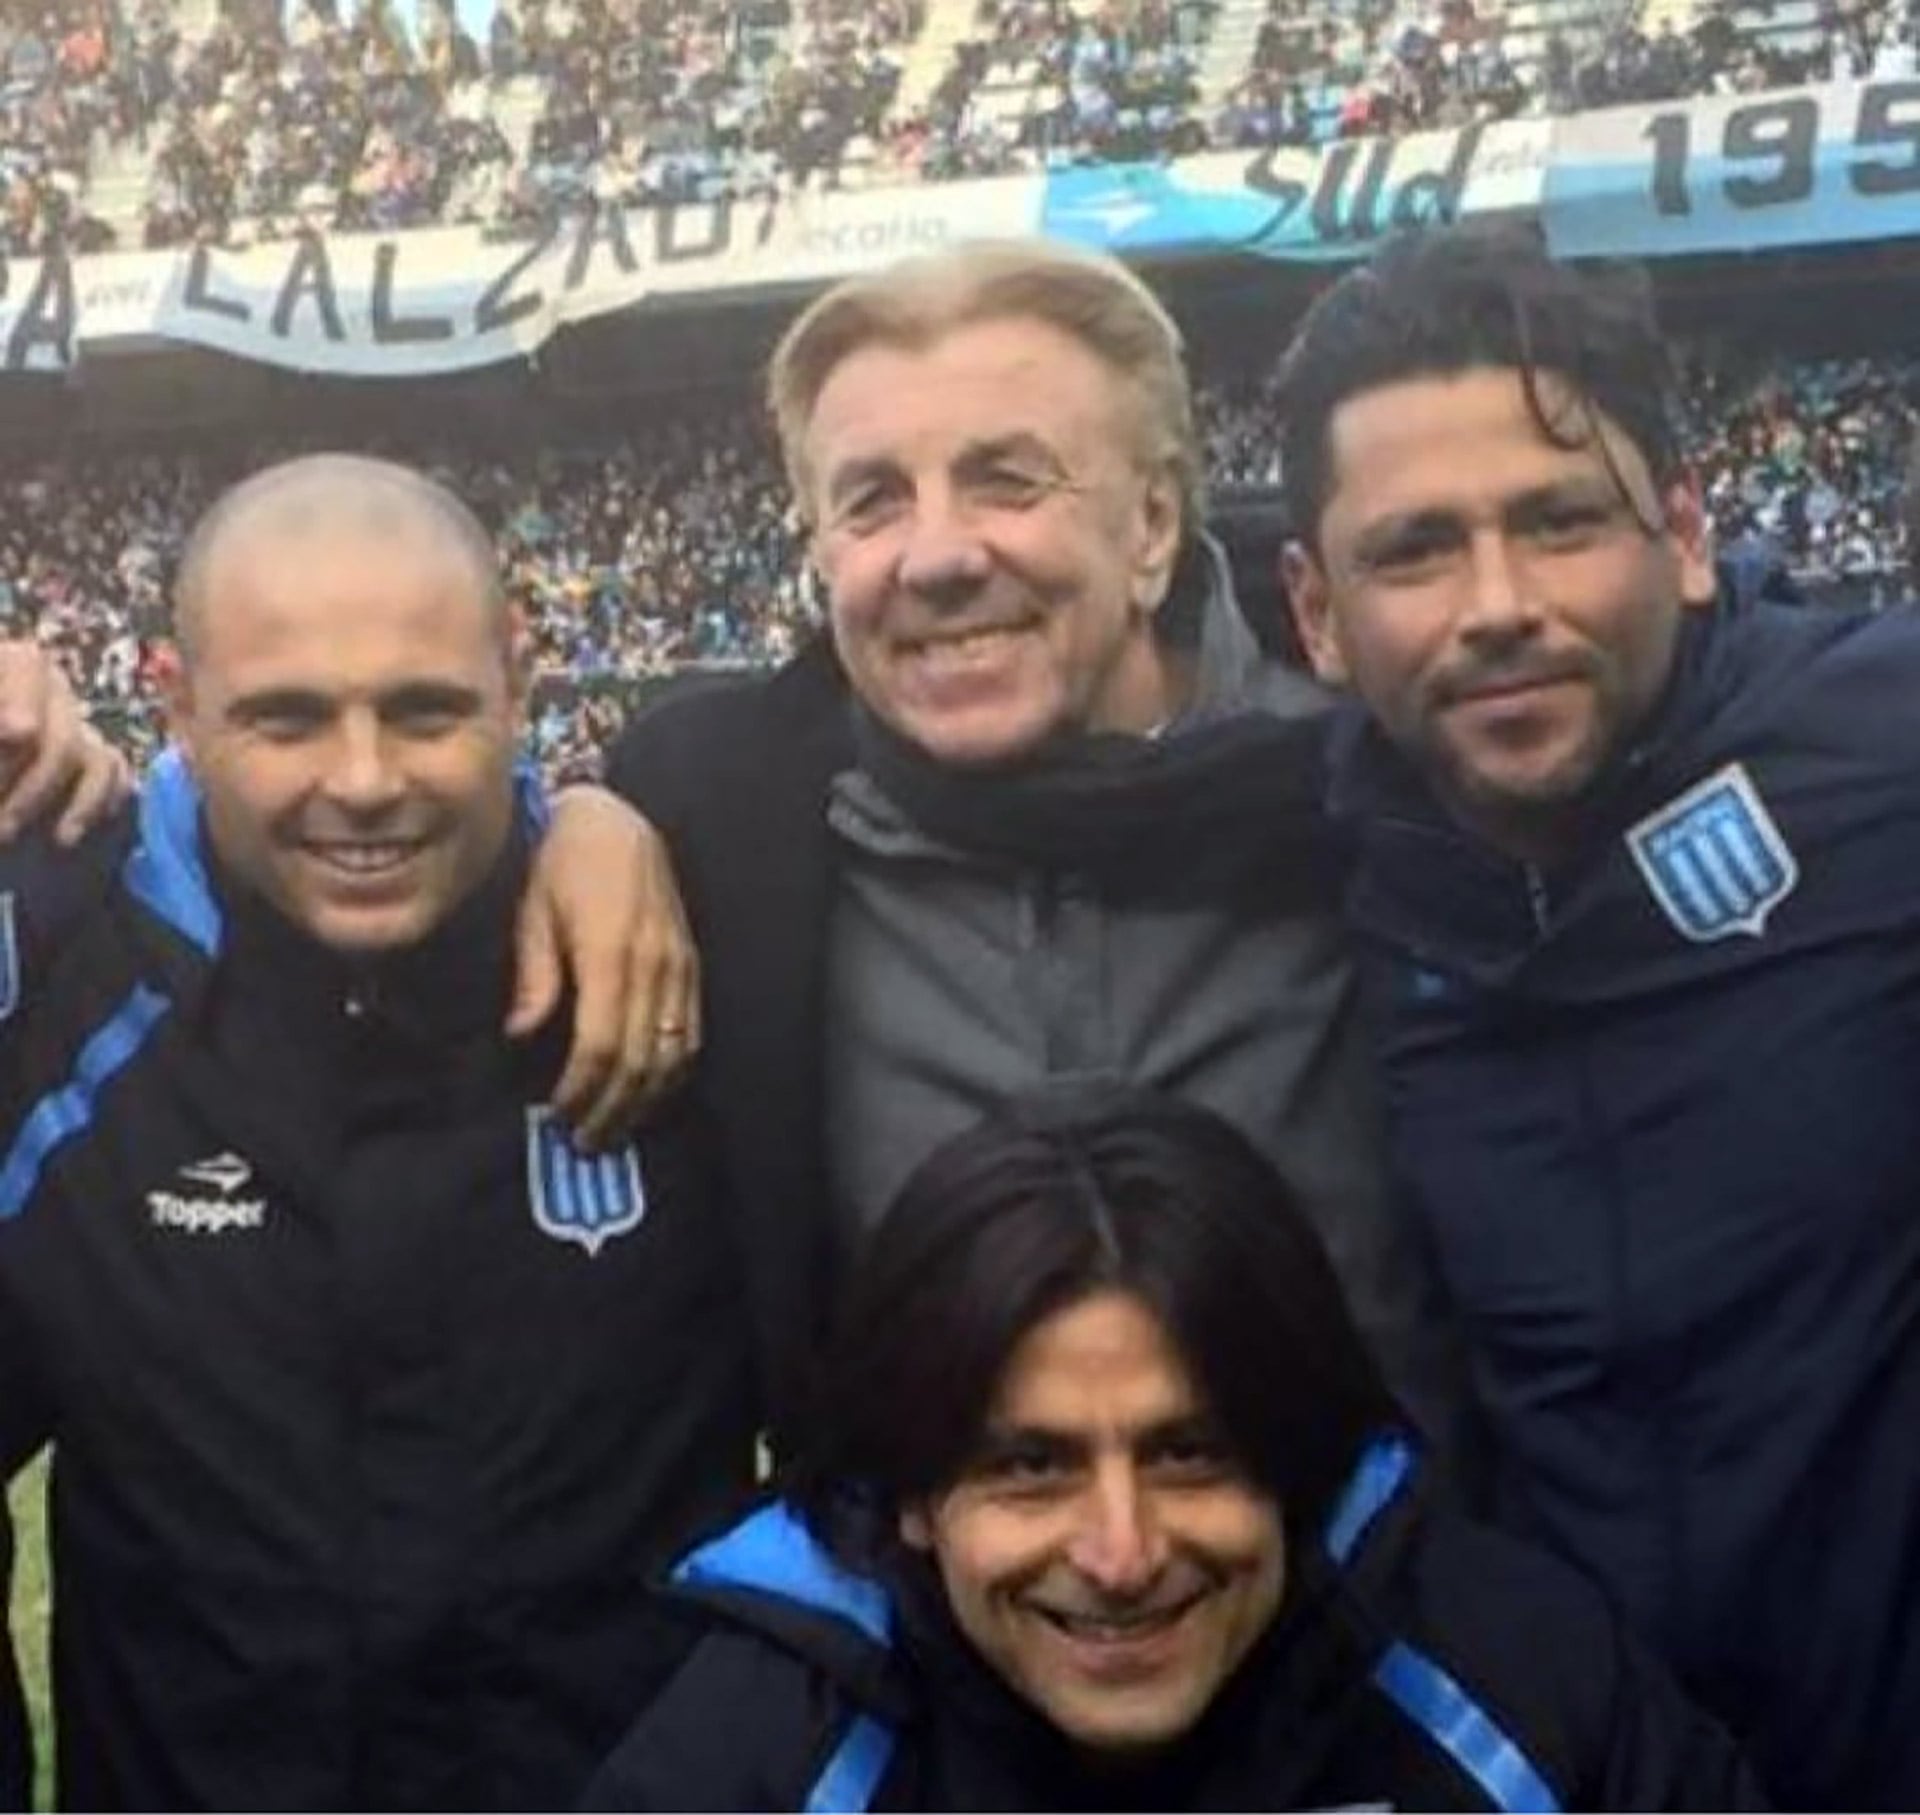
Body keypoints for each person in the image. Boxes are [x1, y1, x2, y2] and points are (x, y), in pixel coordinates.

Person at [604, 238, 1463, 1458]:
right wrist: (596, 816)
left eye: (1006, 481)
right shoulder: (735, 840)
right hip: (939, 1625)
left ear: (1153, 522)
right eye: (872, 500)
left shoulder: (1392, 782)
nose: (938, 555)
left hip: (1378, 1601)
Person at [0, 455, 757, 1810]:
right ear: (173, 701)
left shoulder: (688, 962)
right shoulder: (62, 1004)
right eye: (286, 718)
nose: (363, 779)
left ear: (518, 678)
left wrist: (601, 812)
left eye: (425, 709)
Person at [1280, 223, 1920, 1807]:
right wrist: (591, 821)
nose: (1498, 602)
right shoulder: (1288, 852)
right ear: (1313, 611)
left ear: (1687, 534)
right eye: (1415, 549)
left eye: (1559, 521)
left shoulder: (1886, 745)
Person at [585, 1086, 1760, 1811]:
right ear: (910, 1495)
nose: (1121, 1551)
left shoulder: (1524, 1683)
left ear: (1299, 1455)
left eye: (1190, 1453)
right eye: (1030, 1466)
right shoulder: (750, 1758)